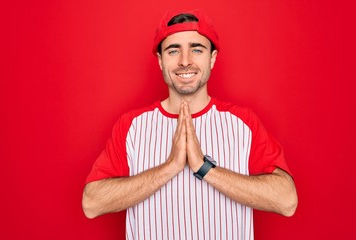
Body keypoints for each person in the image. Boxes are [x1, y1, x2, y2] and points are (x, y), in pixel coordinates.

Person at [82, 9, 298, 240]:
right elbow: (92, 203)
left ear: (212, 58)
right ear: (160, 60)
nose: (185, 61)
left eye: (196, 49)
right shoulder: (131, 126)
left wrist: (203, 168)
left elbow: (286, 201)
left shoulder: (243, 122)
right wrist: (170, 167)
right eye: (173, 51)